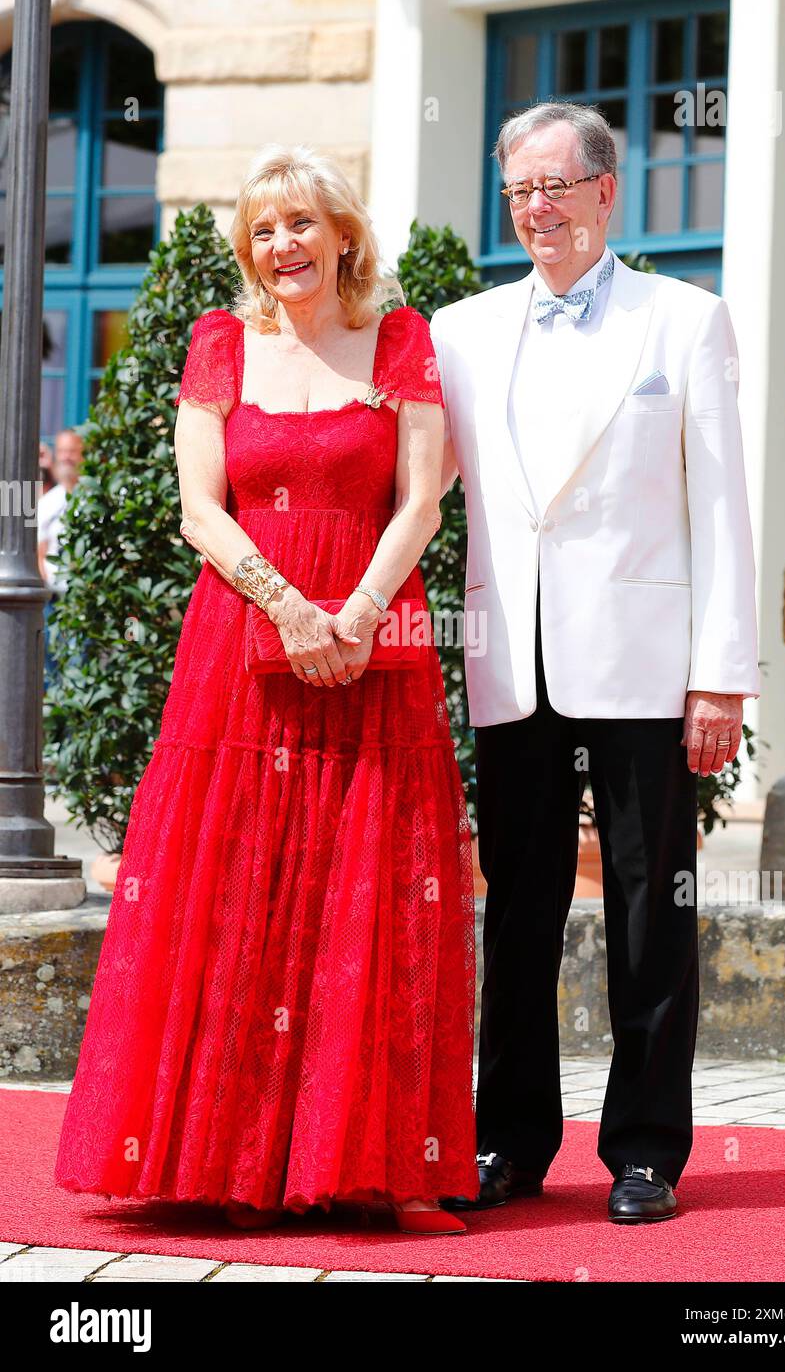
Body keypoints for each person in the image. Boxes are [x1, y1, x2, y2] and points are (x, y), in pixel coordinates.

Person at [53, 143, 478, 1236]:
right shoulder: (218, 344)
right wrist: (289, 607)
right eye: (262, 230)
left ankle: (387, 1165)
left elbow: (421, 501)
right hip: (240, 640)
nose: (282, 245)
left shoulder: (402, 339)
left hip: (375, 642)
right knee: (238, 882)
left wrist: (357, 611)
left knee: (373, 884)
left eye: (300, 224)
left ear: (343, 235)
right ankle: (227, 1162)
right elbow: (200, 508)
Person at [430, 102, 760, 1223]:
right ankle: (508, 1144)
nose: (536, 209)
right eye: (519, 191)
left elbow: (723, 509)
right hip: (512, 661)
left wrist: (720, 675)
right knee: (515, 914)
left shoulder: (687, 320)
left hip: (645, 667)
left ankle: (646, 1152)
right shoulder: (459, 331)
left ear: (606, 192)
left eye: (555, 187)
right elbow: (418, 487)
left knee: (648, 911)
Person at [37, 429, 84, 686]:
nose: (66, 457)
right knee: (51, 665)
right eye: (62, 451)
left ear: (83, 455)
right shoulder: (47, 502)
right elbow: (39, 550)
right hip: (53, 600)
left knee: (78, 664)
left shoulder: (94, 498)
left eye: (72, 451)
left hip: (82, 600)